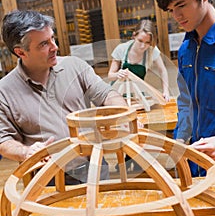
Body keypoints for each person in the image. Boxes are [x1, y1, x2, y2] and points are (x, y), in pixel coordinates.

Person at [0, 10, 127, 184]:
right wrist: (26, 152)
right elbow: (4, 139)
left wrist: (121, 115)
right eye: (44, 44)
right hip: (47, 180)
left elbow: (107, 95)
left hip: (94, 168)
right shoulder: (4, 91)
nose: (55, 47)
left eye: (53, 38)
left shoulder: (74, 66)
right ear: (21, 52)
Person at [154, 0, 215, 176]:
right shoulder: (186, 49)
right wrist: (179, 143)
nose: (176, 16)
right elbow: (186, 103)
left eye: (181, 5)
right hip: (197, 167)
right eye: (171, 10)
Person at [108, 19, 170, 102]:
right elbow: (110, 76)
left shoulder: (152, 51)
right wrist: (117, 74)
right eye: (140, 41)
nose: (142, 46)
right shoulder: (121, 49)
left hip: (137, 94)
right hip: (118, 93)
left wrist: (166, 91)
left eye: (147, 42)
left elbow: (163, 71)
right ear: (134, 36)